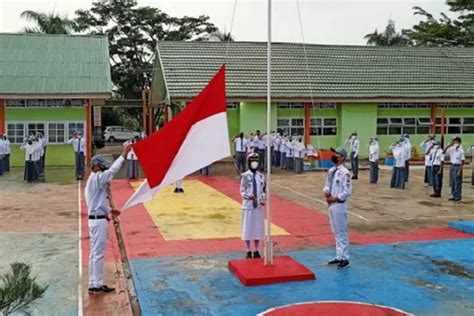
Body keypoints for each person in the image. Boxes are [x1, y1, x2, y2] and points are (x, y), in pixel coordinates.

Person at [85, 144, 131, 294]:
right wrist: (124, 153)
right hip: (98, 221)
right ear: (96, 166)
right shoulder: (96, 178)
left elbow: (98, 203)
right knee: (98, 254)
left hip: (96, 218)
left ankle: (94, 282)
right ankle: (96, 284)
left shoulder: (92, 182)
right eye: (102, 166)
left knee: (94, 253)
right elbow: (112, 171)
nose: (104, 169)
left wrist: (111, 210)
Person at [323, 146, 352, 269]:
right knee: (335, 231)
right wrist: (327, 194)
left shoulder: (345, 173)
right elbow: (327, 185)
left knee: (342, 231)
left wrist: (335, 198)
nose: (334, 156)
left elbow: (347, 191)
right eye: (334, 154)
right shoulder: (331, 171)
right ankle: (339, 255)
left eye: (337, 154)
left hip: (339, 204)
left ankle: (345, 258)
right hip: (331, 204)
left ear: (343, 158)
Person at [240, 153, 266, 259]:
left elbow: (263, 190)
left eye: (256, 160)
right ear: (249, 162)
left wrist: (261, 199)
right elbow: (242, 191)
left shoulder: (261, 176)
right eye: (252, 160)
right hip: (248, 206)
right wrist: (249, 197)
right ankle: (247, 250)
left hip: (258, 207)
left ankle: (256, 249)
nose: (254, 162)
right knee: (248, 228)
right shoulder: (245, 176)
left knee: (257, 228)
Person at [444, 137, 465, 202]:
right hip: (452, 166)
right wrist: (449, 145)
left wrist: (459, 170)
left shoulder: (461, 150)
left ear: (459, 143)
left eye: (456, 142)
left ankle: (458, 196)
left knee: (457, 182)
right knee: (452, 182)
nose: (455, 143)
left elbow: (462, 161)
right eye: (454, 142)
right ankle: (454, 195)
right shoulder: (452, 149)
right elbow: (444, 151)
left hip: (458, 166)